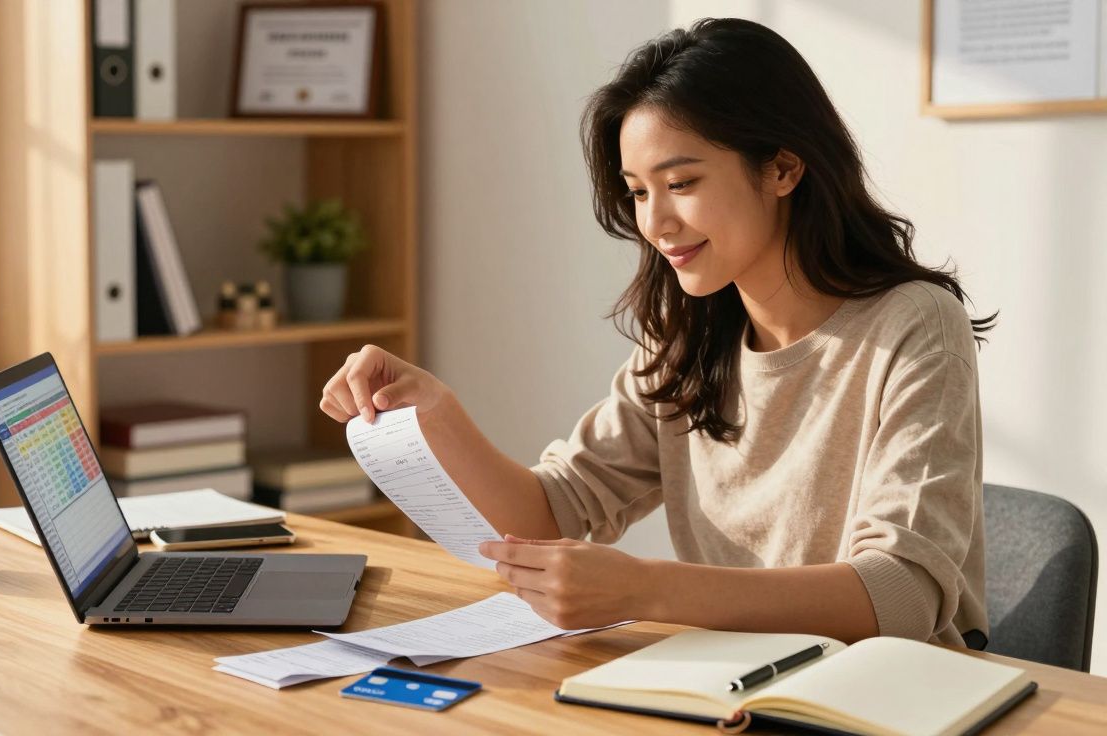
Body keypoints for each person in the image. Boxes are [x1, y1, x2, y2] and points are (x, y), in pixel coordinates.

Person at [318, 18, 994, 648]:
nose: (656, 222)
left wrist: (644, 588)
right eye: (639, 191)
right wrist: (439, 415)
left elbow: (902, 597)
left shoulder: (915, 325)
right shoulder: (690, 336)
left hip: (887, 701)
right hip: (727, 684)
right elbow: (553, 512)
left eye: (682, 182)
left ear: (784, 168)